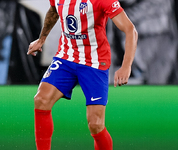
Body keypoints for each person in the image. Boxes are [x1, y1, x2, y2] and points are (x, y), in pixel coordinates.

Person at [27, 0, 138, 149]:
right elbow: (54, 11)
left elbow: (130, 29)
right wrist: (41, 39)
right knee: (41, 100)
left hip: (94, 63)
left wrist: (126, 66)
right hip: (66, 58)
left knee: (95, 124)